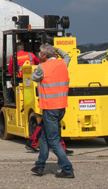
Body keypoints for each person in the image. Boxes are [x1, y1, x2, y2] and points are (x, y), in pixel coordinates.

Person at [29, 43, 74, 178]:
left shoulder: (42, 67)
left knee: (53, 139)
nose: (38, 55)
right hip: (61, 106)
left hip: (50, 107)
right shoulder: (62, 63)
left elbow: (33, 77)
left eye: (40, 53)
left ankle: (67, 168)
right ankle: (40, 165)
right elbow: (67, 55)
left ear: (44, 55)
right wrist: (57, 49)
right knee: (44, 136)